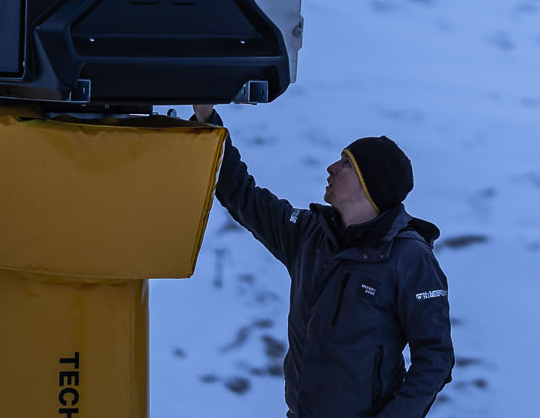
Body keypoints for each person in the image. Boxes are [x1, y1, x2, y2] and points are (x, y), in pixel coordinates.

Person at [194, 102, 453, 417]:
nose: (331, 167)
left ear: (371, 185)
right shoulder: (308, 234)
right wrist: (208, 120)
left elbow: (435, 357)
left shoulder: (409, 257)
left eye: (347, 163)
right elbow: (242, 194)